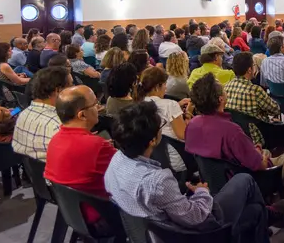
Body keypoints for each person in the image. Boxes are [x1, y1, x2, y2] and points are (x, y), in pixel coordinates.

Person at [105, 102, 271, 242]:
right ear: (153, 140)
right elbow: (197, 217)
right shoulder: (156, 180)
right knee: (246, 183)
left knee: (254, 208)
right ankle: (267, 213)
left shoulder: (115, 162)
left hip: (150, 234)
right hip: (190, 235)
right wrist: (202, 193)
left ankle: (265, 213)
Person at [185, 73, 284, 201]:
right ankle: (277, 202)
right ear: (221, 99)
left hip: (216, 183)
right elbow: (260, 164)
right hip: (245, 181)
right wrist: (258, 152)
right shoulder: (231, 131)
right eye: (223, 89)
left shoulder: (192, 124)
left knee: (266, 151)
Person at [44, 85, 116, 225]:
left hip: (72, 214)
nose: (99, 108)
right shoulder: (96, 146)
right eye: (95, 104)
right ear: (82, 115)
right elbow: (127, 172)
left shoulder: (55, 140)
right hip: (102, 216)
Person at [12, 67, 72, 160]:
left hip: (32, 171)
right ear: (58, 90)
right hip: (56, 171)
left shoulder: (23, 114)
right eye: (71, 85)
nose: (74, 88)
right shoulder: (58, 124)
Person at [138, 67, 190, 173]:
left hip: (152, 158)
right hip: (176, 159)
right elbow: (184, 135)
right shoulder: (170, 105)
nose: (166, 87)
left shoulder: (139, 105)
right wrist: (188, 116)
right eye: (165, 84)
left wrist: (177, 107)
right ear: (157, 87)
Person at [225, 52, 281, 148]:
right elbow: (275, 109)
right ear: (250, 70)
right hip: (257, 136)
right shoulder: (255, 90)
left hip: (235, 135)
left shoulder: (226, 87)